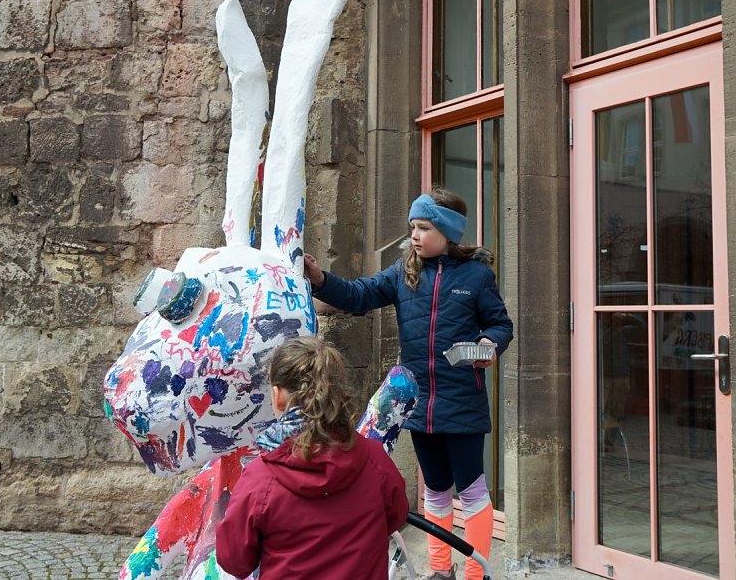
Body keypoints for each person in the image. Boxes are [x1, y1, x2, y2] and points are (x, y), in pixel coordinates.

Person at [304, 188, 513, 580]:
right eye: (412, 227)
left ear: (448, 232)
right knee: (434, 488)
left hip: (463, 402)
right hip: (420, 406)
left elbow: (501, 324)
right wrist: (319, 279)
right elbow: (358, 294)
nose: (414, 235)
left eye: (424, 227)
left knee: (471, 490)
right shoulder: (403, 273)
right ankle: (440, 570)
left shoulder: (477, 276)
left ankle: (476, 574)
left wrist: (490, 342)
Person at [215, 336, 409, 579]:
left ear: (278, 396)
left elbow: (235, 562)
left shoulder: (260, 479)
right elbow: (396, 516)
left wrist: (222, 522)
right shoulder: (375, 460)